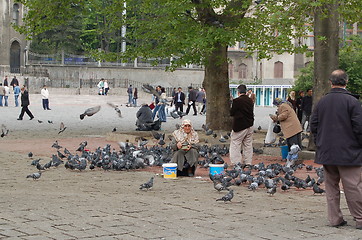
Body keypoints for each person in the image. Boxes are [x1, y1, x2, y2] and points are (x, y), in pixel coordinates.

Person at [310, 69, 362, 230]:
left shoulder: (322, 102)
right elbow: (359, 127)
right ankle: (360, 218)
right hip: (349, 152)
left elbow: (314, 125)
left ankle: (334, 218)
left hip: (327, 151)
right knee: (353, 186)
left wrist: (320, 143)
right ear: (346, 82)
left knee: (331, 187)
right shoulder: (353, 102)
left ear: (330, 82)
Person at [229, 84, 254, 166]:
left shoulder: (236, 101)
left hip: (240, 125)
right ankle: (248, 162)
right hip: (250, 124)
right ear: (246, 91)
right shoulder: (250, 100)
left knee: (235, 143)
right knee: (248, 144)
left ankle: (236, 162)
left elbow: (232, 113)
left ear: (238, 92)